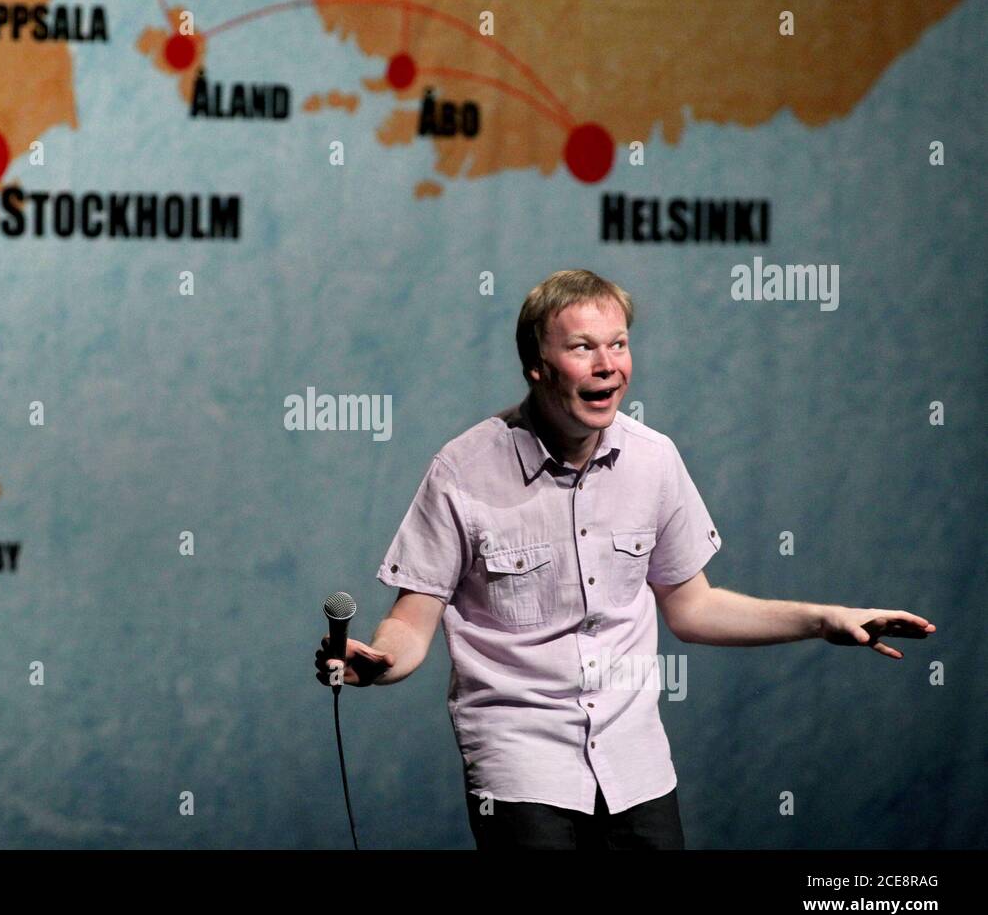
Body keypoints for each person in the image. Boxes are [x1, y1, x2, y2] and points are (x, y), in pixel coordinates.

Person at [313, 268, 935, 850]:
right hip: (522, 771)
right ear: (536, 365)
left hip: (636, 768)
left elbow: (694, 608)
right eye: (583, 347)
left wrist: (826, 620)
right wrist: (378, 660)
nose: (608, 365)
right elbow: (412, 625)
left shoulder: (654, 460)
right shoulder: (462, 472)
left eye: (619, 344)